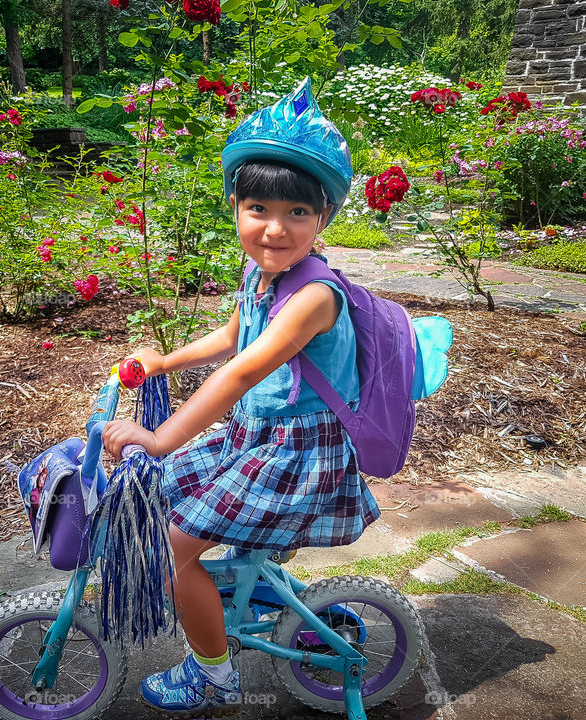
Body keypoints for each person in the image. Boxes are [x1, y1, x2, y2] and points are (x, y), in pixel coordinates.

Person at [101, 77, 381, 717]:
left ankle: (216, 678)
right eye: (258, 208)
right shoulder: (262, 275)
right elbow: (232, 337)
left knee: (177, 544)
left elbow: (241, 375)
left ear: (324, 218)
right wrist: (165, 358)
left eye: (298, 213)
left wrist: (161, 432)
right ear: (235, 206)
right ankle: (249, 590)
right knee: (164, 489)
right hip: (257, 438)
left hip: (296, 454)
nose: (274, 229)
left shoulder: (314, 295)